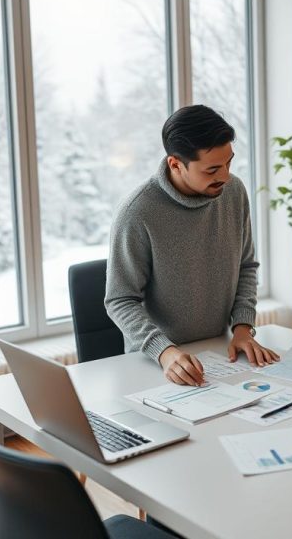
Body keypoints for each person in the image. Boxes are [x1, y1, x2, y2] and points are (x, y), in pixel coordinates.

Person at [105, 105, 279, 387]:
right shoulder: (137, 212)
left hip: (218, 353)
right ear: (176, 164)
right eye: (212, 169)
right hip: (156, 364)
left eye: (229, 163)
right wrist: (164, 351)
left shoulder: (233, 192)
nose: (224, 176)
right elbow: (120, 300)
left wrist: (243, 328)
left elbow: (246, 266)